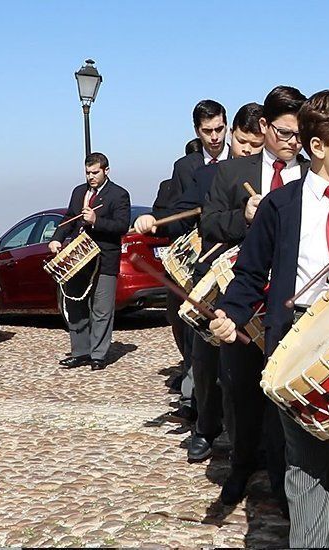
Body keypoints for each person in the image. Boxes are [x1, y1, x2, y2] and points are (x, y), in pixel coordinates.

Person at [211, 90, 329, 547]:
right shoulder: (280, 206)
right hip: (295, 340)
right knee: (304, 463)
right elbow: (249, 274)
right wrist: (230, 313)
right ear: (318, 146)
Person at [135, 102, 265, 462]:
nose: (247, 151)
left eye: (255, 146)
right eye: (242, 143)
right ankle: (206, 429)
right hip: (213, 282)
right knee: (206, 361)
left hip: (255, 284)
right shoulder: (209, 175)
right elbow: (183, 214)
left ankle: (255, 441)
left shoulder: (274, 176)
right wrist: (153, 220)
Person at [200, 85, 309, 512]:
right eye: (284, 133)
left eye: (300, 135)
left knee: (283, 393)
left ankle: (284, 482)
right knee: (241, 390)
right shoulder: (231, 172)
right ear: (264, 126)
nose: (292, 143)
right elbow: (208, 225)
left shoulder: (308, 174)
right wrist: (243, 219)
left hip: (287, 305)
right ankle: (241, 467)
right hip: (242, 302)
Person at [143, 100, 229, 420]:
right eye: (207, 131)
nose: (215, 137)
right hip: (194, 265)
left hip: (231, 263)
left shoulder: (241, 159)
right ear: (197, 131)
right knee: (193, 333)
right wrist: (158, 221)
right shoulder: (185, 167)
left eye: (220, 129)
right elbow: (175, 212)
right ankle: (196, 402)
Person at [50, 152, 131, 371]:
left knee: (102, 309)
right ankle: (80, 352)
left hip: (104, 259)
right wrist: (56, 239)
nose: (91, 177)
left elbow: (122, 226)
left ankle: (98, 355)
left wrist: (97, 221)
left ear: (106, 171)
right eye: (87, 173)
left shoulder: (119, 194)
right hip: (78, 259)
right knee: (75, 305)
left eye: (95, 172)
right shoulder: (78, 192)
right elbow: (69, 219)